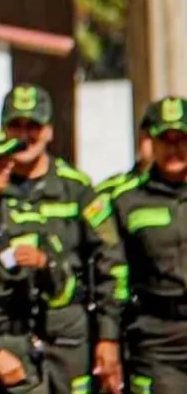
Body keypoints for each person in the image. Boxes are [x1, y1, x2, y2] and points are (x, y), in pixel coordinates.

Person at [0, 85, 126, 394]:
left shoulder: (78, 189)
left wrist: (108, 337)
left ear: (50, 131)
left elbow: (111, 261)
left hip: (69, 339)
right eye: (16, 125)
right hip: (10, 339)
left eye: (34, 126)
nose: (24, 135)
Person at [0, 122, 72, 394]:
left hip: (27, 360)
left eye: (8, 156)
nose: (8, 164)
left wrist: (46, 263)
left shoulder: (26, 212)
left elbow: (63, 287)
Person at [109, 96, 187, 393]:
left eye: (181, 138)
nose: (174, 148)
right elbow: (112, 273)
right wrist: (109, 338)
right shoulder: (126, 201)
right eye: (165, 139)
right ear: (149, 142)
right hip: (157, 340)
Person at [96, 105, 159, 196]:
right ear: (140, 137)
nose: (169, 148)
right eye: (154, 136)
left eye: (179, 139)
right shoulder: (111, 192)